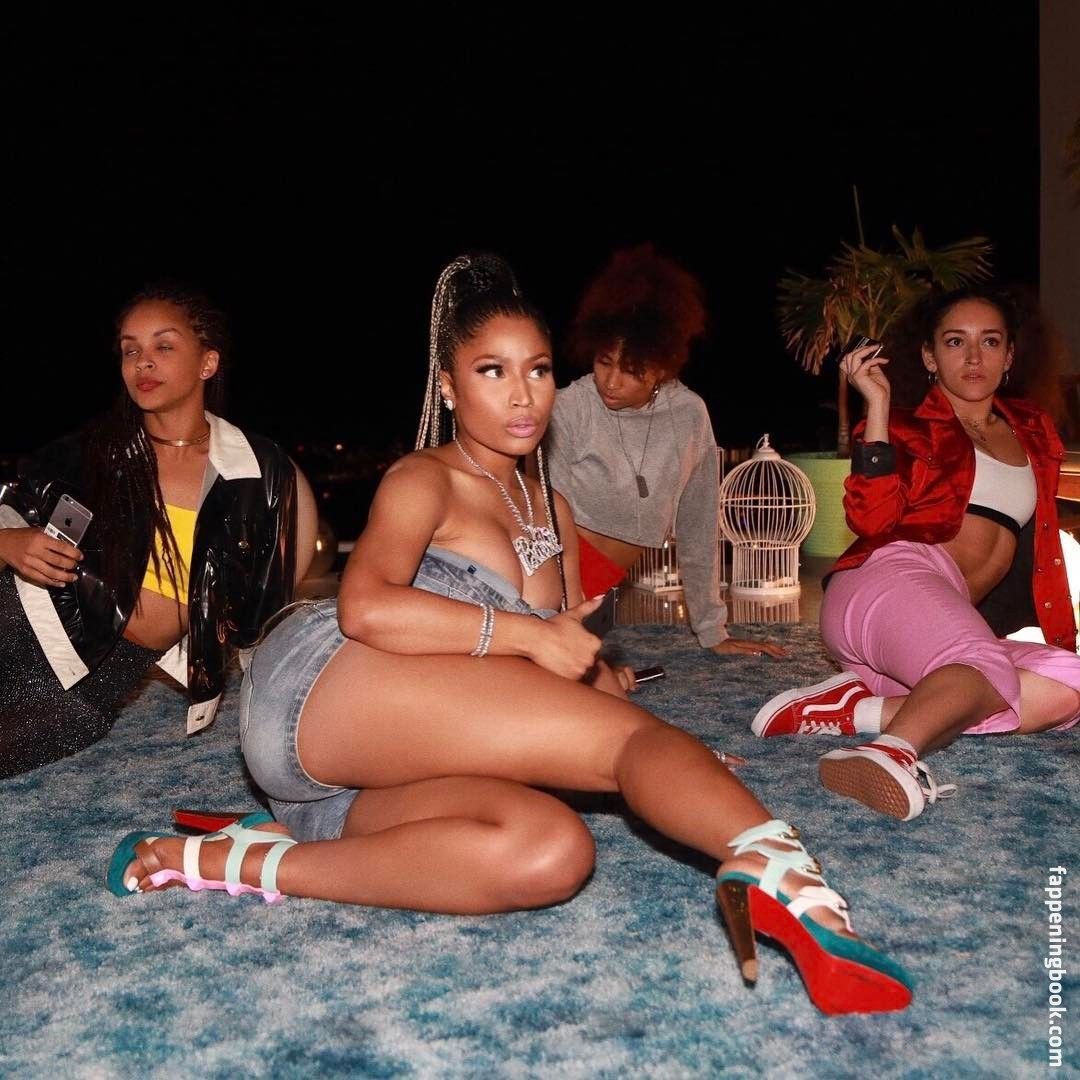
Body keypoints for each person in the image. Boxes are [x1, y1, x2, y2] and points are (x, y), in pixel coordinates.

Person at [108, 254, 911, 1015]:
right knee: (625, 746)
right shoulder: (426, 478)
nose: (523, 395)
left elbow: (564, 659)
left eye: (538, 369)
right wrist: (544, 657)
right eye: (492, 371)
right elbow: (366, 609)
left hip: (359, 791)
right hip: (318, 694)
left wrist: (651, 738)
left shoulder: (554, 510)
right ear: (450, 386)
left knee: (552, 852)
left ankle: (244, 858)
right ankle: (787, 882)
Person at [751, 286, 1080, 820]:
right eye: (955, 341)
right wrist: (878, 408)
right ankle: (892, 752)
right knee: (983, 668)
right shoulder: (907, 427)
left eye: (989, 341)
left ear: (1009, 356)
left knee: (1067, 684)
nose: (973, 357)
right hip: (885, 580)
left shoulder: (1032, 429)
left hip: (932, 623)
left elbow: (1041, 539)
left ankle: (856, 711)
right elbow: (870, 521)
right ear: (929, 356)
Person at [0, 284, 316, 776]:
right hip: (18, 622)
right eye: (131, 350)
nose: (143, 362)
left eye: (163, 346)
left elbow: (269, 607)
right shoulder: (86, 453)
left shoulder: (263, 476)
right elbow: (11, 509)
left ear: (207, 363)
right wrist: (7, 541)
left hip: (91, 690)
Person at [543, 245, 783, 658]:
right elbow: (544, 522)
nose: (611, 382)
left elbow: (698, 527)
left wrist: (712, 631)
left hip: (598, 595)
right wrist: (561, 617)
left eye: (631, 370)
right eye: (604, 362)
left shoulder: (689, 416)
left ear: (662, 368)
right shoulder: (569, 409)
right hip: (548, 582)